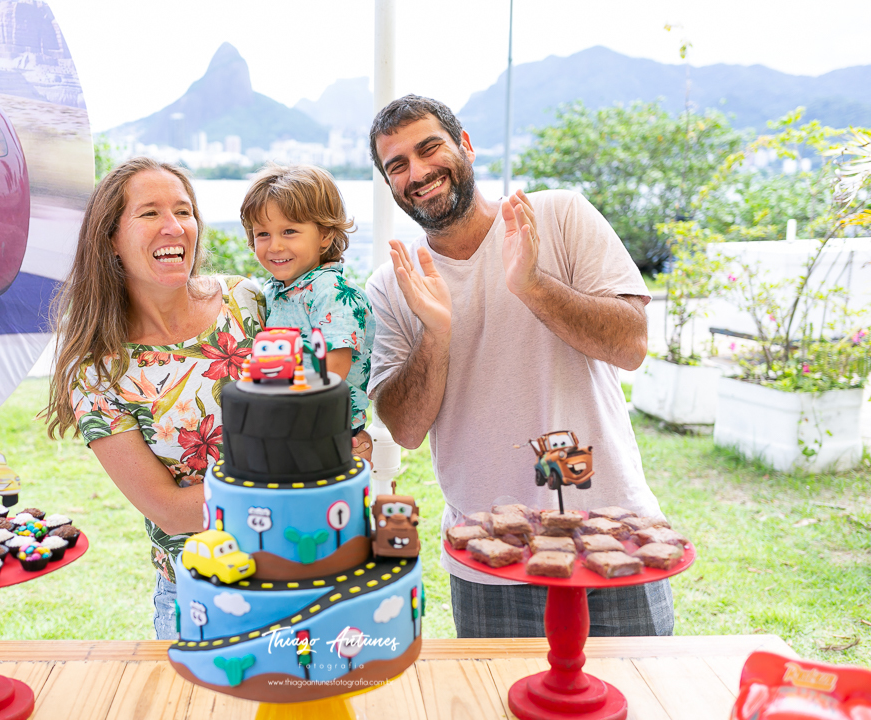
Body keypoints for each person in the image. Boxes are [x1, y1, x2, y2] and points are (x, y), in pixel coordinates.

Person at [366, 94, 673, 638]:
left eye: (429, 148)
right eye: (397, 165)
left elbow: (631, 345)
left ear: (465, 146)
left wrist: (533, 287)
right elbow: (407, 430)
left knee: (634, 701)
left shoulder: (557, 217)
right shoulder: (394, 282)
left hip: (609, 528)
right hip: (487, 552)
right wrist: (436, 334)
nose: (417, 173)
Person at [44, 157, 265, 640]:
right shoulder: (98, 371)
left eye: (183, 211)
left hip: (304, 567)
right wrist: (296, 489)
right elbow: (166, 508)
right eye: (149, 214)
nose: (174, 227)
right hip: (201, 598)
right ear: (111, 239)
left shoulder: (247, 301)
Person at [240, 163, 374, 459]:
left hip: (322, 426)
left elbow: (333, 371)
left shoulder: (331, 292)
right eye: (262, 234)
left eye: (289, 231)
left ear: (325, 234)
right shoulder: (276, 289)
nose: (274, 246)